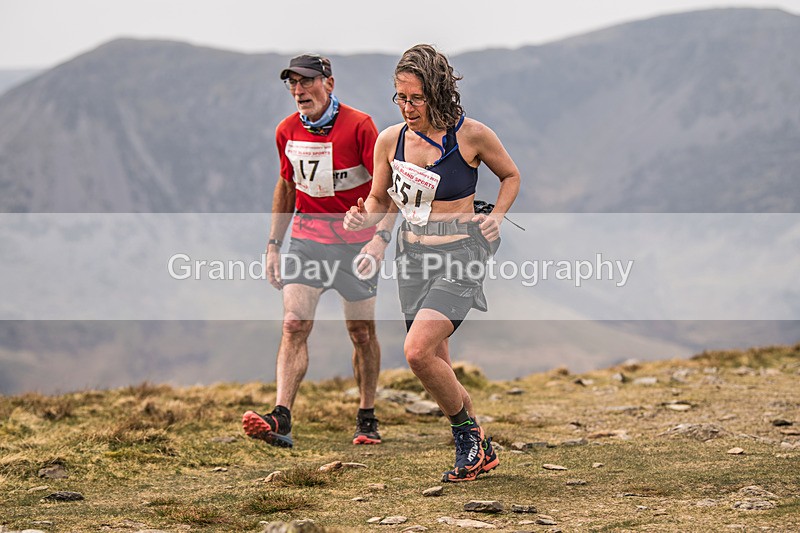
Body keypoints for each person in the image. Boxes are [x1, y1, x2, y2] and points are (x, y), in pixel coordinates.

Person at [344, 44, 520, 481]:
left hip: (462, 255)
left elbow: (511, 175)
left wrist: (496, 218)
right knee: (438, 363)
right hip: (413, 259)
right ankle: (481, 448)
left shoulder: (471, 135)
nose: (407, 108)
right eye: (400, 98)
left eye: (416, 99)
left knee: (417, 351)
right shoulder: (391, 140)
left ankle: (465, 437)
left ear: (437, 93)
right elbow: (379, 198)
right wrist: (363, 218)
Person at [243, 54, 396, 448]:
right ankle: (281, 417)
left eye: (307, 81)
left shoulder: (360, 126)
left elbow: (389, 189)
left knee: (361, 333)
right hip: (307, 242)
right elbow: (286, 187)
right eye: (292, 83)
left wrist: (380, 238)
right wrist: (273, 246)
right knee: (294, 324)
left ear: (329, 83)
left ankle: (366, 416)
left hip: (356, 245)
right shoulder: (286, 131)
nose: (299, 90)